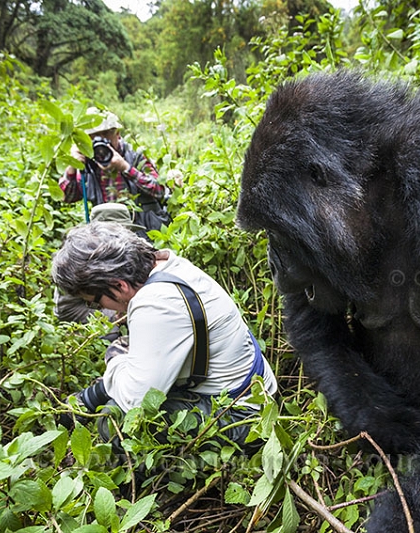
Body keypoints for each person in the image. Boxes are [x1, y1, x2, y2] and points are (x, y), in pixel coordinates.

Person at [51, 222, 278, 449]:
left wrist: (115, 359)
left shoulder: (156, 303)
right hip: (255, 389)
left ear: (119, 285)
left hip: (247, 418)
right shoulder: (166, 266)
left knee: (113, 421)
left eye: (96, 302)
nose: (100, 310)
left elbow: (136, 401)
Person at [59, 107, 171, 232]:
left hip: (143, 229)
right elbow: (67, 197)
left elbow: (160, 190)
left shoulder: (135, 155)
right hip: (108, 233)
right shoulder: (88, 164)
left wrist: (125, 168)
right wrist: (72, 165)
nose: (101, 140)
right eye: (94, 136)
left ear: (117, 134)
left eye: (106, 134)